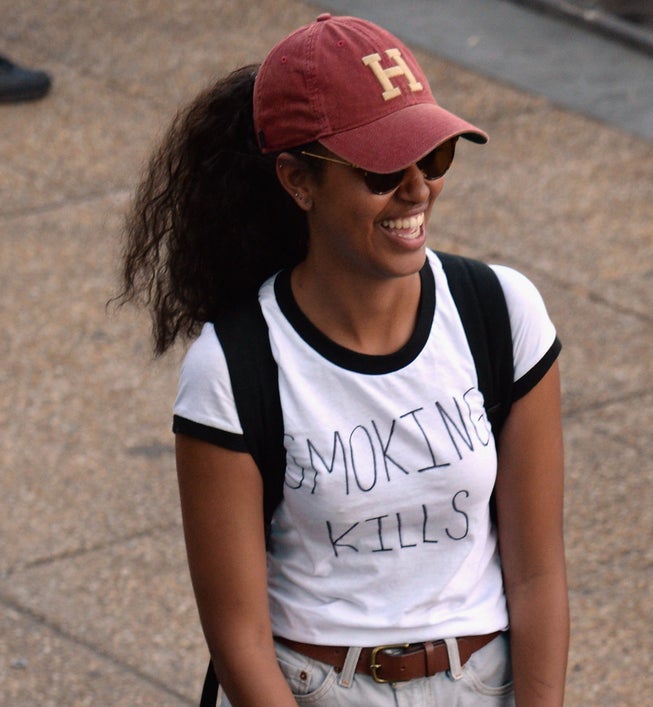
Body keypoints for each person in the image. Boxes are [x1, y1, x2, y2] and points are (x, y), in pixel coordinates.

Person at [116, 14, 569, 706]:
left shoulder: (502, 314)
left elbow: (537, 574)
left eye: (436, 155)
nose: (418, 188)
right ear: (298, 181)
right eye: (385, 168)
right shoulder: (234, 370)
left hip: (488, 681)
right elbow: (237, 633)